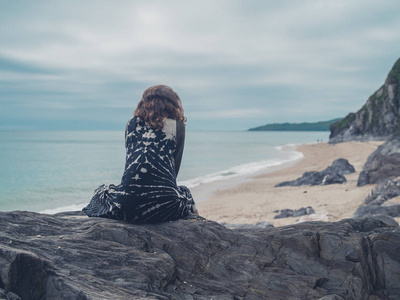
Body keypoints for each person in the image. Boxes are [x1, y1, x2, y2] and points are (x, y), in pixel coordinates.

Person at [83, 85, 198, 223]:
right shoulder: (177, 126)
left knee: (102, 190)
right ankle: (202, 227)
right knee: (186, 193)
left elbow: (130, 163)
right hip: (166, 208)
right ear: (173, 104)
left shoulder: (130, 124)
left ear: (144, 103)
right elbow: (174, 170)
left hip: (126, 206)